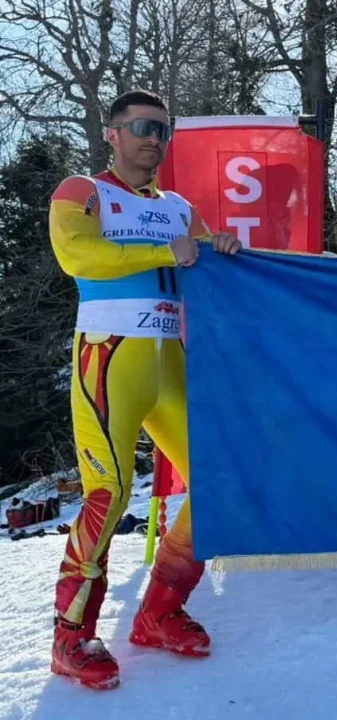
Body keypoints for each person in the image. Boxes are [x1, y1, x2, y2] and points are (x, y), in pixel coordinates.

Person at [47, 89, 242, 690]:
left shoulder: (181, 206)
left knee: (217, 481)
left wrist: (225, 251)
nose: (152, 138)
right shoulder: (82, 192)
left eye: (162, 128)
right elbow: (78, 255)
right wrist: (168, 249)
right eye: (140, 126)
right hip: (108, 358)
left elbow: (204, 261)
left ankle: (158, 612)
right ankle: (69, 635)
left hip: (168, 363)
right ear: (113, 133)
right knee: (108, 492)